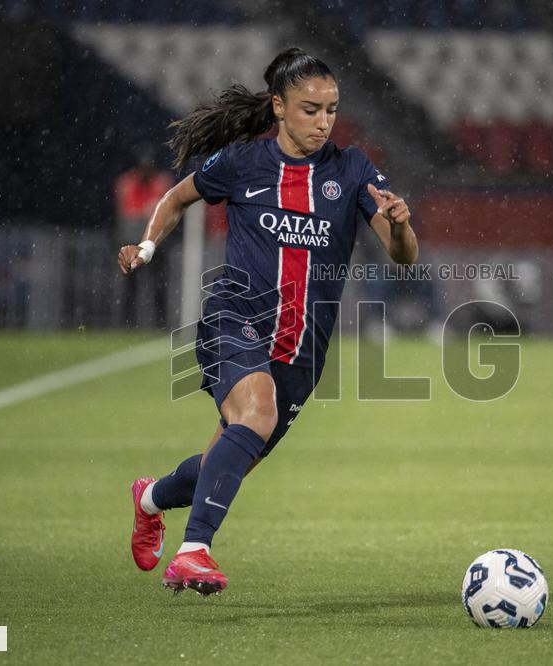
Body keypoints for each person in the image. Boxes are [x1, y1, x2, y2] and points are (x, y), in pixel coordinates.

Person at [117, 47, 418, 596]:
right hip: (235, 316)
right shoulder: (242, 163)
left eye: (331, 109)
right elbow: (177, 197)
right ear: (279, 107)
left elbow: (404, 256)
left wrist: (399, 225)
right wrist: (147, 245)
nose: (323, 121)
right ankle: (193, 552)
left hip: (302, 352)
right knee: (255, 413)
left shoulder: (351, 170)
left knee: (225, 461)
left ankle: (149, 499)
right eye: (310, 109)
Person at [114, 146, 174, 328]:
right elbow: (130, 213)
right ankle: (126, 324)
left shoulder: (161, 182)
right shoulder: (126, 182)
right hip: (132, 241)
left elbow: (158, 211)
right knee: (130, 287)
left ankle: (160, 324)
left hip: (154, 244)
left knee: (158, 286)